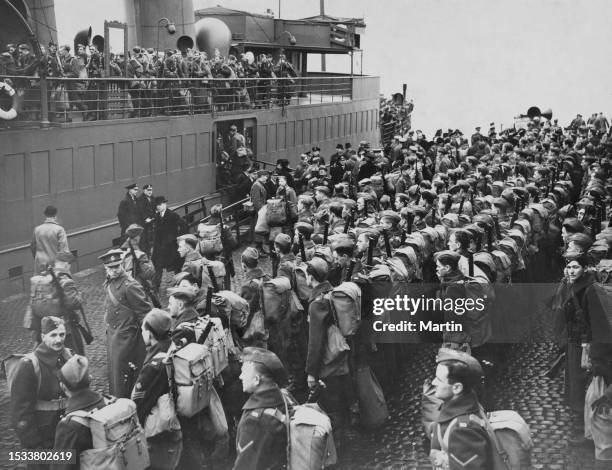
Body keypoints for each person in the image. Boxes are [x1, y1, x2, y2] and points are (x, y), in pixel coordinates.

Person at [10, 317, 72, 468]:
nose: (58, 340)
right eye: (53, 335)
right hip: (42, 441)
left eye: (62, 334)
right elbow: (20, 413)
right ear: (43, 336)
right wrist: (34, 447)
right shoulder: (29, 365)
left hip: (65, 437)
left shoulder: (67, 357)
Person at [132, 309, 183, 470]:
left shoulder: (154, 365)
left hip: (158, 429)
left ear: (149, 334)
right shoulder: (171, 346)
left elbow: (139, 402)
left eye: (142, 330)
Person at [429, 348, 491, 470]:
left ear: (457, 388)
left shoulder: (463, 430)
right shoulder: (454, 409)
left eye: (439, 380)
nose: (433, 382)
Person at [101, 248, 152, 398]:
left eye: (117, 266)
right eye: (111, 268)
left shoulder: (130, 285)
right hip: (114, 335)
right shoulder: (109, 282)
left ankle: (127, 403)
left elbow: (145, 313)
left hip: (128, 338)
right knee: (115, 373)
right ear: (106, 268)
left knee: (124, 374)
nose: (115, 270)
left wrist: (147, 338)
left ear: (122, 264)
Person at [233, 347, 289, 470]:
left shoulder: (255, 422)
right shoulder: (283, 399)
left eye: (244, 372)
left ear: (256, 380)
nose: (240, 377)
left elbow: (244, 466)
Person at [51, 355, 105, 470]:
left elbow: (60, 466)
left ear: (63, 386)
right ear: (89, 379)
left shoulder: (69, 426)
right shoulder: (106, 402)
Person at [152, 196, 187, 291]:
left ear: (165, 204)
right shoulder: (157, 216)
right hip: (160, 247)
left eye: (159, 205)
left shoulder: (172, 215)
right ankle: (156, 287)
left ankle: (180, 284)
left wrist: (178, 238)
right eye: (156, 205)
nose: (158, 207)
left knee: (176, 266)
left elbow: (183, 224)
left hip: (171, 247)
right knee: (158, 265)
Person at [30, 205, 70, 273]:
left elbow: (32, 246)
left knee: (40, 282)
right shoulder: (59, 229)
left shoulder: (37, 229)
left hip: (40, 265)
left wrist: (37, 259)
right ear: (56, 215)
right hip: (55, 266)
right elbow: (64, 249)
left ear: (45, 214)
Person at [137, 184, 156, 254]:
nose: (150, 192)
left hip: (152, 221)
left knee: (153, 237)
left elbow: (155, 208)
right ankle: (146, 254)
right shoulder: (140, 199)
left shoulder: (153, 198)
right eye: (148, 190)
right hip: (144, 223)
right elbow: (141, 210)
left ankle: (153, 252)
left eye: (151, 190)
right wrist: (146, 218)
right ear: (144, 190)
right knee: (145, 239)